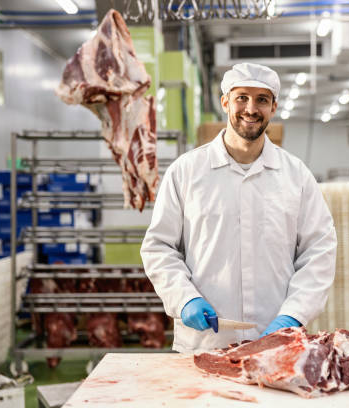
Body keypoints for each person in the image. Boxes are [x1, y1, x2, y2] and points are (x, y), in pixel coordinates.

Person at [140, 62, 337, 353]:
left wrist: (293, 314)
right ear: (225, 102)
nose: (251, 109)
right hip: (204, 343)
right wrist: (184, 299)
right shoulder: (187, 171)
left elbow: (319, 250)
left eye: (262, 100)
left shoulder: (296, 175)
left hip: (276, 344)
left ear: (273, 107)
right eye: (242, 97)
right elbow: (158, 248)